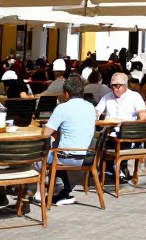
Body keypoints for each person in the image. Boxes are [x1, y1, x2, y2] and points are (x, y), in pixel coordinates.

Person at [35, 75, 95, 206]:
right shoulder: (91, 107)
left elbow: (45, 134)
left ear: (66, 93)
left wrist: (47, 125)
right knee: (56, 147)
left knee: (38, 154)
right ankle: (63, 190)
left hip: (65, 157)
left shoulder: (62, 108)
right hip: (87, 156)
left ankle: (36, 191)